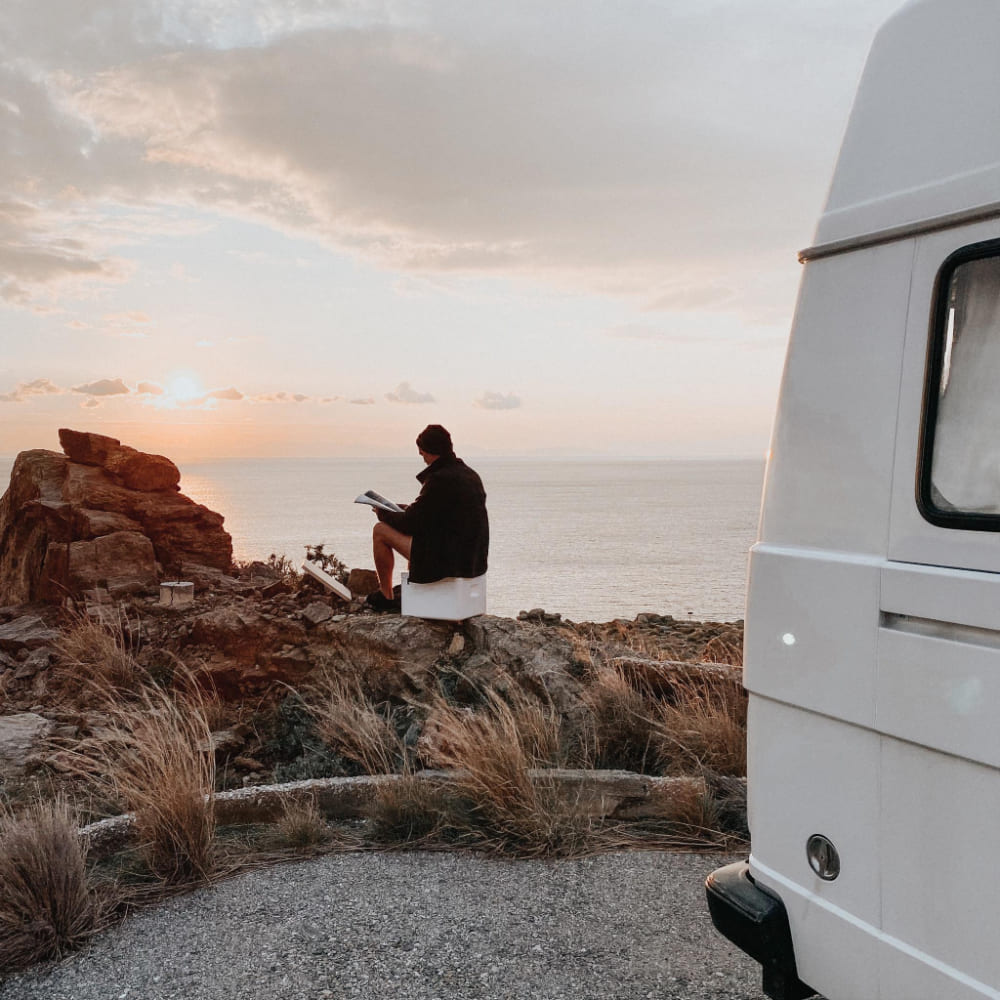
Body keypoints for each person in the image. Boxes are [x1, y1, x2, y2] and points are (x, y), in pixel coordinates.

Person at [367, 424, 489, 612]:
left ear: (431, 451)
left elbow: (411, 523)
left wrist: (383, 512)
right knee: (421, 537)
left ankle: (386, 595)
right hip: (471, 559)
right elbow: (434, 513)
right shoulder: (470, 475)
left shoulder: (440, 479)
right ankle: (413, 592)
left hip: (447, 561)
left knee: (380, 531)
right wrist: (404, 509)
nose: (422, 457)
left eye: (422, 452)